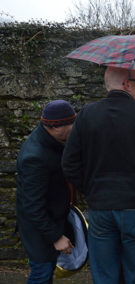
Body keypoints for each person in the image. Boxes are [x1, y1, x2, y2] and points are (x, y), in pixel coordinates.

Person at [62, 66, 135, 284]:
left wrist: (89, 189)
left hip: (100, 206)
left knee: (105, 275)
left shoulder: (87, 115)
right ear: (126, 84)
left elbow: (69, 163)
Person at [16, 100, 76, 283]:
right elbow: (32, 206)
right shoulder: (35, 157)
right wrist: (56, 237)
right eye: (71, 124)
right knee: (41, 275)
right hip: (39, 232)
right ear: (56, 127)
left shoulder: (52, 140)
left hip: (50, 221)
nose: (75, 128)